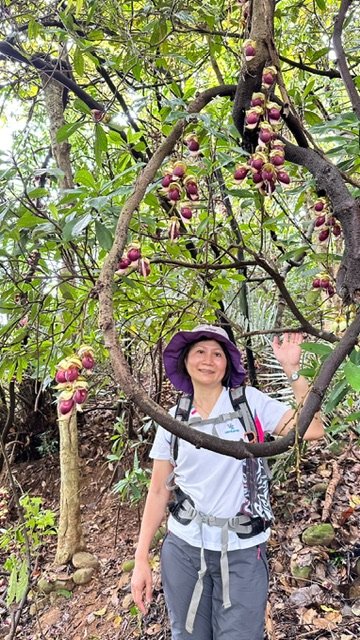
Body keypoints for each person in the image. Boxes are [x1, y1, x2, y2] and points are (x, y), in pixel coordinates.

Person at [131, 325, 324, 640]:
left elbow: (313, 429)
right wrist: (141, 559)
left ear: (227, 364)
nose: (208, 360)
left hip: (242, 550)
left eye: (217, 353)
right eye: (200, 352)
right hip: (184, 548)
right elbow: (156, 491)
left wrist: (292, 370)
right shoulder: (173, 417)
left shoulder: (248, 403)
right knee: (188, 634)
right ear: (185, 361)